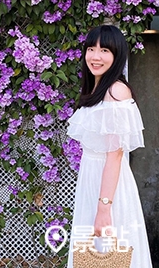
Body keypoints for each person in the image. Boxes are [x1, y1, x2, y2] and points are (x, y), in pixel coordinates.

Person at [66, 25, 152, 267]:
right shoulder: (97, 89)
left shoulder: (116, 91)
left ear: (117, 56)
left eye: (104, 50)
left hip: (108, 189)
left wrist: (104, 209)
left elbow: (114, 156)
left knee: (108, 257)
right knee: (94, 258)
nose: (95, 56)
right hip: (94, 181)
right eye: (91, 49)